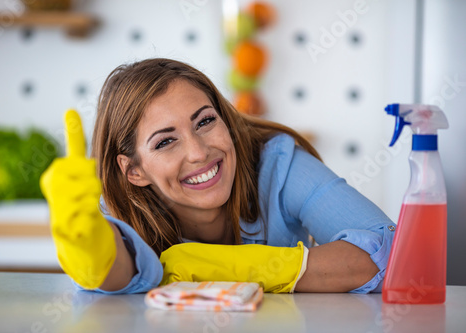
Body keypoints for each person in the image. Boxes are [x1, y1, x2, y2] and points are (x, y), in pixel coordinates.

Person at [41, 58, 396, 295]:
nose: (198, 152)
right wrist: (85, 247)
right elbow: (120, 274)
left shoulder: (276, 164)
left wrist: (228, 268)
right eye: (166, 142)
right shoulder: (100, 208)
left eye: (205, 121)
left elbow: (393, 251)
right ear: (134, 171)